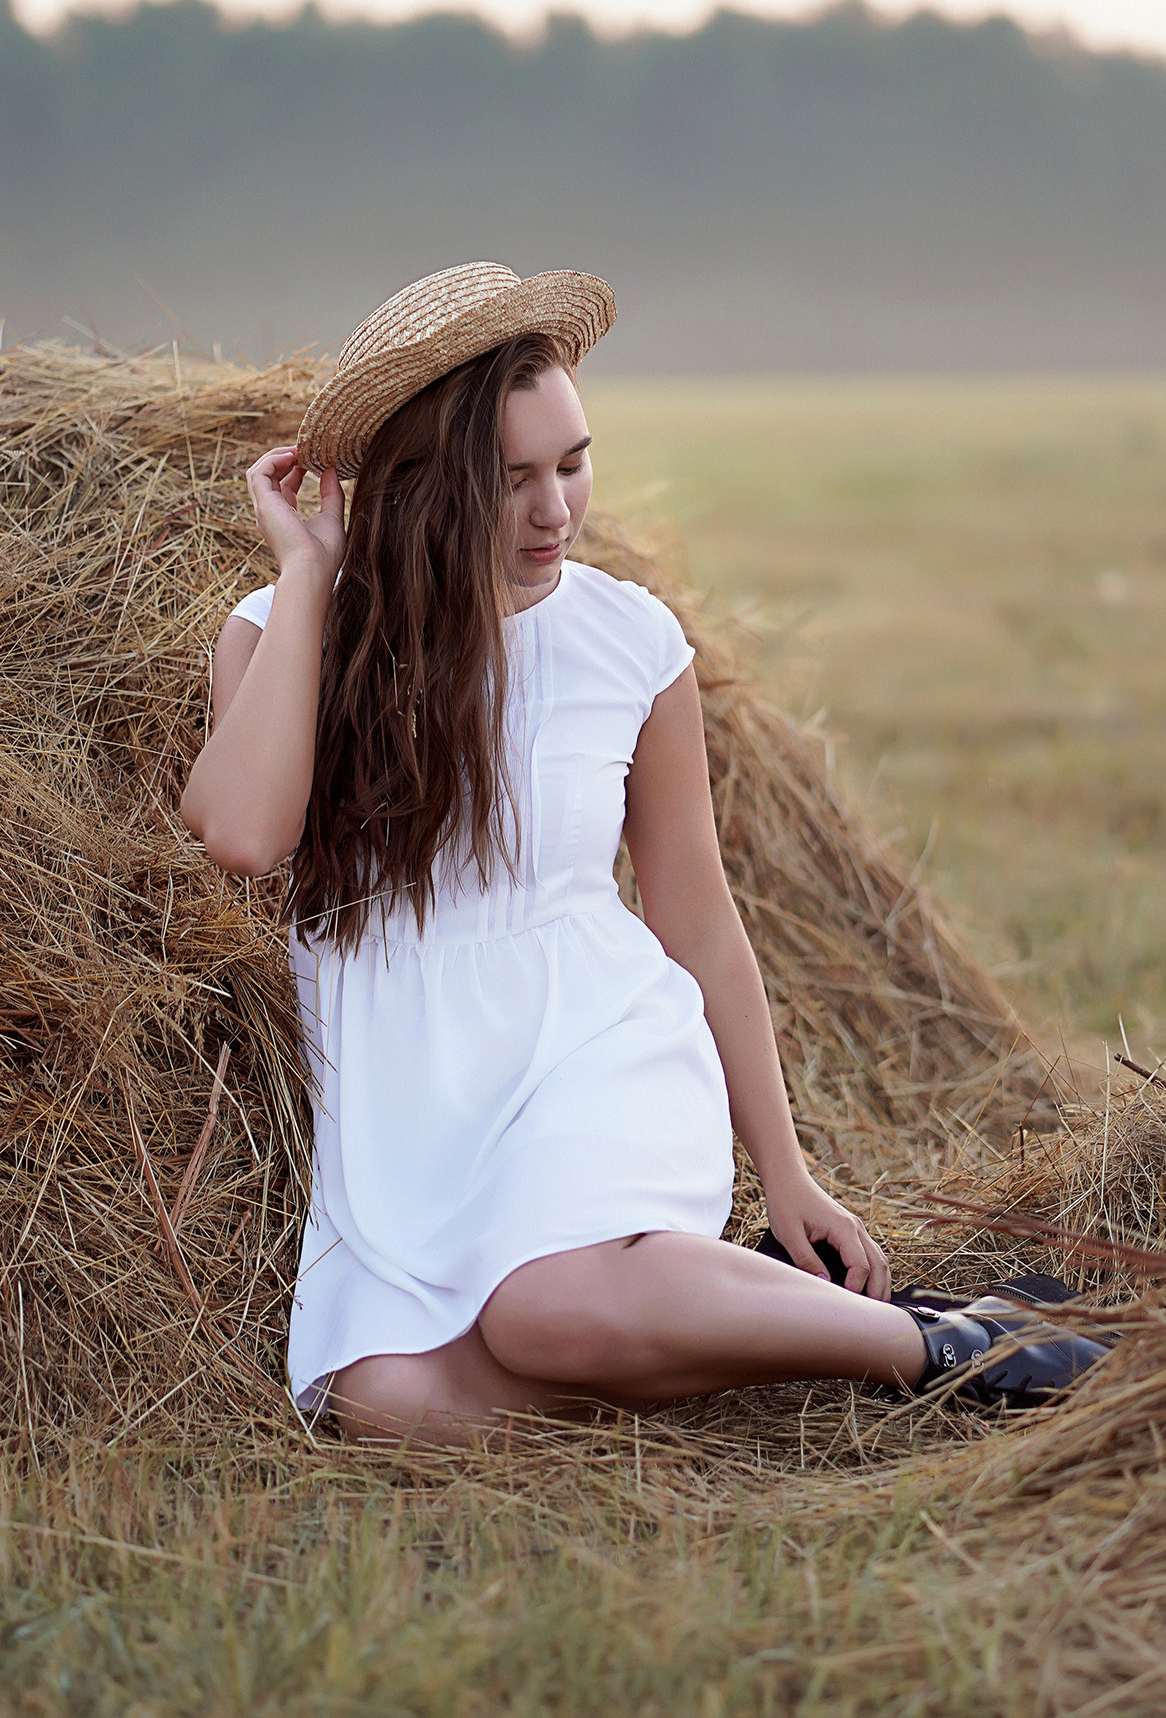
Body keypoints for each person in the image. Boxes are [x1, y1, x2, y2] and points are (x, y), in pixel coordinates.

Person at [181, 262, 1106, 1446]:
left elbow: (697, 918)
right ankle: (746, 1327)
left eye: (572, 463)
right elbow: (246, 837)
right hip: (407, 1086)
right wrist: (309, 575)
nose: (555, 510)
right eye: (510, 479)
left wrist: (788, 1172)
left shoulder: (628, 642)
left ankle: (945, 1346)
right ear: (420, 486)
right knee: (383, 1408)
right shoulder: (284, 631)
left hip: (588, 1039)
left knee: (547, 1311)